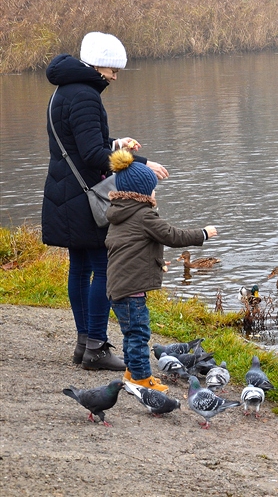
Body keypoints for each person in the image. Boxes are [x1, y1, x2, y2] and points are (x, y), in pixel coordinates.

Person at [42, 32, 169, 371]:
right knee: (104, 268)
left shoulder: (64, 90)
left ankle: (83, 345)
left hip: (65, 192)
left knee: (80, 268)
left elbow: (79, 144)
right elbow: (92, 155)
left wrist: (115, 143)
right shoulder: (85, 95)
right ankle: (96, 347)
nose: (115, 77)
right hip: (85, 197)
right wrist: (141, 164)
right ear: (98, 65)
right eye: (113, 70)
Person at [105, 149, 218, 391]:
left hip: (118, 286)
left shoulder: (119, 214)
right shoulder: (143, 216)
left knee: (131, 334)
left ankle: (131, 372)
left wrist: (157, 263)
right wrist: (203, 234)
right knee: (139, 334)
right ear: (141, 194)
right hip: (131, 289)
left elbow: (132, 249)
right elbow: (172, 236)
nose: (155, 193)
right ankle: (141, 378)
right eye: (153, 189)